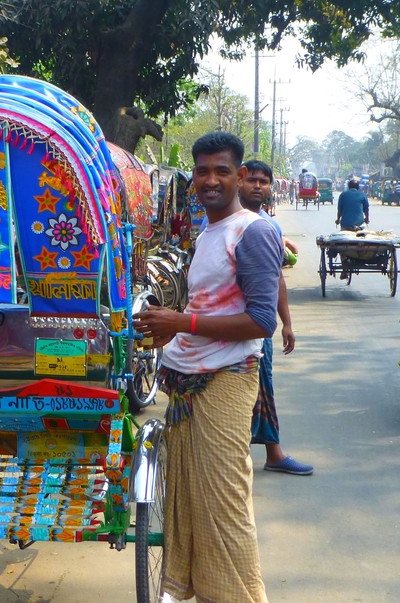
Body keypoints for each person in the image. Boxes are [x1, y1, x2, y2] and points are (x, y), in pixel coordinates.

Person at [134, 131, 281, 603]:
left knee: (223, 503)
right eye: (202, 171)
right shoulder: (207, 233)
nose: (210, 180)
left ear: (240, 175)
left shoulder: (253, 230)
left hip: (227, 381)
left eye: (222, 170)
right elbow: (208, 307)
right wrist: (173, 331)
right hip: (186, 382)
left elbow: (261, 321)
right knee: (188, 499)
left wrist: (182, 320)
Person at [238, 160, 313, 476]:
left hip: (257, 323)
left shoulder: (270, 226)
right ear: (240, 181)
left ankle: (272, 452)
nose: (258, 186)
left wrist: (288, 323)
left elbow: (277, 279)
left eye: (264, 181)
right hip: (225, 321)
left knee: (261, 384)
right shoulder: (221, 220)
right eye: (252, 180)